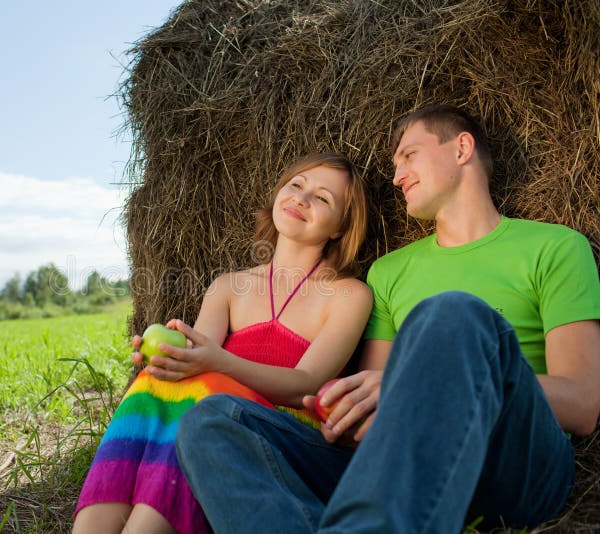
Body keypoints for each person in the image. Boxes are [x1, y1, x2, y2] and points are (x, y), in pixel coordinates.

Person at [175, 104, 600, 533]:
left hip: (513, 464)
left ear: (461, 148)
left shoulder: (555, 248)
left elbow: (582, 404)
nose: (397, 176)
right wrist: (344, 415)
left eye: (409, 156)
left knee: (453, 312)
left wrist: (421, 380)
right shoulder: (388, 272)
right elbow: (374, 403)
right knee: (212, 422)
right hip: (399, 466)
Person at [73, 153, 374, 534]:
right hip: (209, 413)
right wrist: (169, 360)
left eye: (323, 198)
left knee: (209, 392)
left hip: (276, 433)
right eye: (296, 185)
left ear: (340, 227)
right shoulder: (229, 286)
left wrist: (216, 363)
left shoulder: (348, 295)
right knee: (152, 385)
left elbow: (308, 383)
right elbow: (196, 365)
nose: (302, 198)